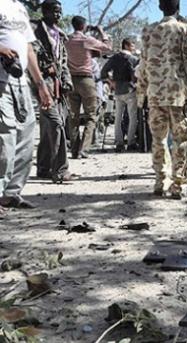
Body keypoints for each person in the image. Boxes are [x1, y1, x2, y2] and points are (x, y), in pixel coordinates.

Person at [136, 0, 187, 199]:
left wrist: (142, 95)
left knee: (158, 139)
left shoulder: (148, 31)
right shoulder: (185, 30)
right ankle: (178, 184)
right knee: (181, 139)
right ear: (178, 7)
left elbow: (143, 66)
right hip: (177, 95)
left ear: (160, 7)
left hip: (155, 94)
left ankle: (159, 181)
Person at [0, 0, 53, 216]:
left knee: (26, 135)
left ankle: (11, 193)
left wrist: (41, 85)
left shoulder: (19, 8)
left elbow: (28, 47)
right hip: (1, 81)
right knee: (5, 138)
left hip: (21, 82)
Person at [31, 0, 74, 183]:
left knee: (48, 126)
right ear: (45, 12)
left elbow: (62, 61)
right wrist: (43, 70)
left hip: (57, 85)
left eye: (60, 11)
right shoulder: (35, 31)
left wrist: (66, 80)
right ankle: (61, 169)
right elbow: (30, 55)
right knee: (57, 124)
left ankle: (43, 168)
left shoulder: (59, 34)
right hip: (41, 83)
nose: (58, 15)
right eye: (55, 11)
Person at [65, 15, 112, 159]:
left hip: (71, 80)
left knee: (73, 117)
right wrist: (102, 32)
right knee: (92, 116)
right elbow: (107, 48)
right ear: (84, 26)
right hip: (86, 79)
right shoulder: (86, 40)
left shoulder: (66, 39)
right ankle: (83, 148)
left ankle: (74, 149)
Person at [101, 38, 139, 152]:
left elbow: (103, 72)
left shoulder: (114, 58)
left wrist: (111, 82)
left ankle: (119, 143)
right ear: (126, 46)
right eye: (132, 45)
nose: (134, 48)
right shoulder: (133, 59)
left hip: (117, 91)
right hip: (130, 90)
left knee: (118, 117)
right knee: (133, 117)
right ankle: (131, 142)